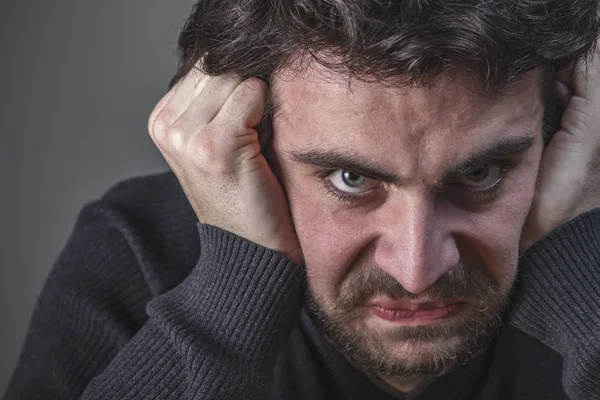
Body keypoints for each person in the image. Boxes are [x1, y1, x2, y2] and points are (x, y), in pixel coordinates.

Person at [3, 0, 600, 399]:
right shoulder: (138, 251)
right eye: (349, 178)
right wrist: (227, 304)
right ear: (249, 139)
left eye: (482, 172)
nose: (416, 271)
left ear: (564, 130)